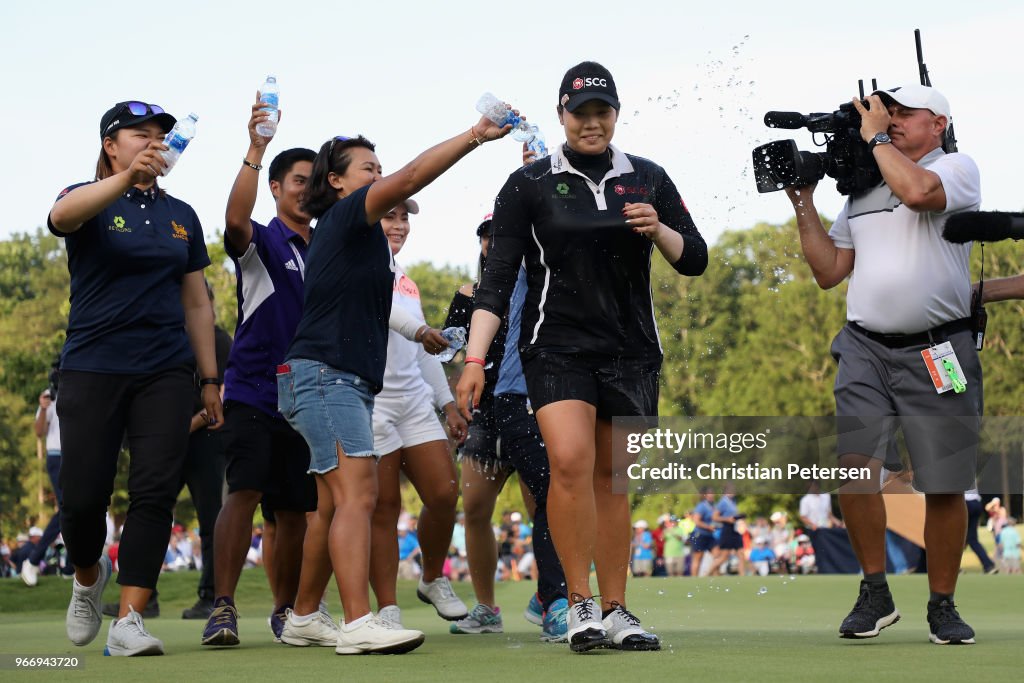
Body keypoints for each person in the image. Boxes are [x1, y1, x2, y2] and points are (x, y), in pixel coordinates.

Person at [456, 61, 707, 653]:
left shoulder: (647, 177)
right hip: (555, 348)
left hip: (631, 351)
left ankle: (619, 609)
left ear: (615, 114)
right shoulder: (530, 183)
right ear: (561, 115)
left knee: (610, 481)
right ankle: (579, 606)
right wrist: (474, 360)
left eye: (602, 112)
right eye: (579, 112)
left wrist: (659, 231)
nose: (591, 123)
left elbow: (693, 256)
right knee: (569, 463)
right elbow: (496, 282)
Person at [277, 104, 515, 654]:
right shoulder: (347, 218)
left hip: (331, 381)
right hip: (326, 378)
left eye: (379, 167)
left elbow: (388, 309)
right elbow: (411, 177)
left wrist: (421, 335)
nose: (379, 176)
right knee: (359, 496)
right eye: (368, 168)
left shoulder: (360, 246)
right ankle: (360, 622)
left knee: (335, 504)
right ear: (336, 182)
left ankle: (305, 615)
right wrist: (477, 136)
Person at [785, 83, 981, 644]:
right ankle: (875, 591)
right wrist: (803, 201)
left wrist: (874, 139)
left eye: (903, 113)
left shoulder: (959, 167)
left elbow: (919, 192)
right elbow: (829, 271)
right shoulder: (865, 184)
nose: (890, 119)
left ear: (938, 123)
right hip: (865, 345)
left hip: (938, 348)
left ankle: (941, 604)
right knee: (854, 469)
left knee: (943, 485)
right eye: (886, 112)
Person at [48, 100, 223, 656]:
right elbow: (61, 220)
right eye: (140, 134)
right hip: (92, 366)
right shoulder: (86, 197)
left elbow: (197, 303)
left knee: (154, 493)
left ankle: (128, 621)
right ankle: (85, 577)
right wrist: (127, 178)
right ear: (110, 144)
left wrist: (210, 378)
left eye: (162, 137)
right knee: (81, 498)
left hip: (165, 371)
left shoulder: (182, 215)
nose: (154, 143)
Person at [201, 98, 321, 648]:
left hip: (309, 395)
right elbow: (232, 221)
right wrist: (256, 148)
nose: (305, 188)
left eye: (313, 181)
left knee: (293, 511)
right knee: (243, 493)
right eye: (297, 180)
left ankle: (285, 612)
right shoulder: (262, 241)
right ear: (275, 187)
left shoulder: (326, 248)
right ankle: (223, 607)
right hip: (251, 386)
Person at [365, 197, 469, 630]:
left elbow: (425, 351)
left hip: (413, 400)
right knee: (384, 508)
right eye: (390, 216)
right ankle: (387, 608)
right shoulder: (354, 265)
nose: (400, 224)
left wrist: (446, 402)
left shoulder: (406, 282)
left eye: (404, 217)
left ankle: (430, 579)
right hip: (370, 400)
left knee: (445, 494)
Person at [22, 379, 72, 586]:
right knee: (67, 507)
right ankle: (33, 560)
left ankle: (71, 566)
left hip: (79, 457)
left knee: (75, 509)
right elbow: (39, 431)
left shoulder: (87, 387)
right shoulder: (51, 393)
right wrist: (43, 409)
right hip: (57, 456)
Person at [709, 484, 746, 576]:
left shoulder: (733, 501)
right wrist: (727, 519)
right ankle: (707, 573)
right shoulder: (723, 502)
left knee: (741, 554)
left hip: (735, 529)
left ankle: (743, 576)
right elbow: (714, 517)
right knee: (724, 556)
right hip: (727, 529)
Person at [689, 488, 717, 577]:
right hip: (700, 534)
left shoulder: (713, 506)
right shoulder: (701, 506)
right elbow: (696, 521)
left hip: (710, 535)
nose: (712, 495)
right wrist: (708, 527)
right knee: (698, 558)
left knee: (718, 555)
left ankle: (715, 577)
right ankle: (694, 579)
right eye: (709, 494)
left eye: (713, 493)